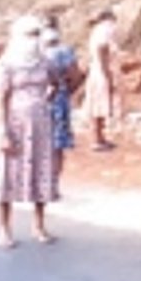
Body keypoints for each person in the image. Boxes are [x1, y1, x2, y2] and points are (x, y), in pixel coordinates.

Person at [0, 15, 59, 249]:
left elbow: (57, 83)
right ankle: (4, 229)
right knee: (7, 174)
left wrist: (44, 100)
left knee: (41, 171)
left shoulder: (44, 62)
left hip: (40, 123)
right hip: (15, 123)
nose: (33, 40)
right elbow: (1, 99)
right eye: (29, 35)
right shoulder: (7, 64)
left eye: (36, 34)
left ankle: (39, 225)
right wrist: (3, 130)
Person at [42, 19, 80, 185]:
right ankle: (53, 182)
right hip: (59, 100)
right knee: (57, 144)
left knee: (41, 141)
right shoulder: (65, 52)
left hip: (38, 101)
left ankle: (42, 180)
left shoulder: (33, 53)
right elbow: (76, 77)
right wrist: (66, 90)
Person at [84, 9, 118, 151]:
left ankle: (99, 137)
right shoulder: (104, 32)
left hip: (96, 71)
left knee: (98, 104)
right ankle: (97, 138)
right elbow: (102, 54)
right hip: (101, 72)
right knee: (99, 105)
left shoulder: (96, 32)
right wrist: (108, 76)